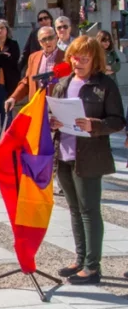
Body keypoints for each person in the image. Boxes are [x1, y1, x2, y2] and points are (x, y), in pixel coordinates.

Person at [50, 36, 125, 285]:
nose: (78, 62)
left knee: (89, 211)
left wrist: (95, 125)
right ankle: (80, 259)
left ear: (94, 60)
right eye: (74, 56)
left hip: (90, 157)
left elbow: (117, 121)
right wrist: (52, 123)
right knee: (74, 210)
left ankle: (93, 267)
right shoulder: (63, 83)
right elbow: (53, 115)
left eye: (84, 58)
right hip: (65, 155)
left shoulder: (105, 85)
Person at [5, 26, 64, 113]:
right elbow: (27, 82)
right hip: (37, 108)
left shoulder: (66, 57)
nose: (48, 42)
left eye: (51, 38)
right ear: (40, 42)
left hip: (57, 109)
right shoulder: (33, 57)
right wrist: (13, 98)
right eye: (44, 39)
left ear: (56, 37)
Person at [19, 10, 53, 74]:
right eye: (40, 19)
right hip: (36, 65)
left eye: (45, 18)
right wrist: (18, 68)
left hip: (52, 66)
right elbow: (26, 52)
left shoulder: (56, 33)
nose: (43, 21)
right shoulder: (34, 33)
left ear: (50, 19)